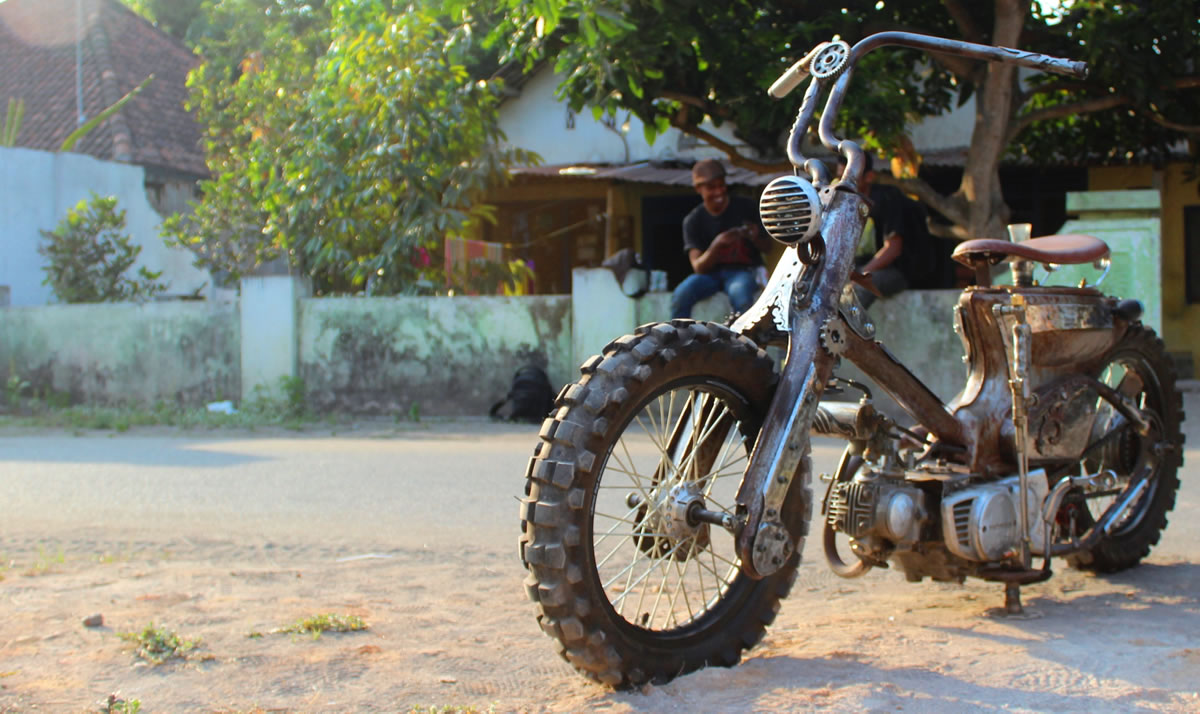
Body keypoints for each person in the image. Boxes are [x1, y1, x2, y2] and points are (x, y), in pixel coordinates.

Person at [670, 159, 773, 319]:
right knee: (681, 294)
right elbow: (698, 267)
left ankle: (745, 342)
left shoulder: (746, 207)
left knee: (740, 293)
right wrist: (717, 244)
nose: (719, 191)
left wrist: (754, 237)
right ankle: (679, 339)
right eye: (711, 187)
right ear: (698, 189)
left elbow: (768, 247)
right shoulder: (693, 220)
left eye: (722, 185)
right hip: (709, 276)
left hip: (744, 271)